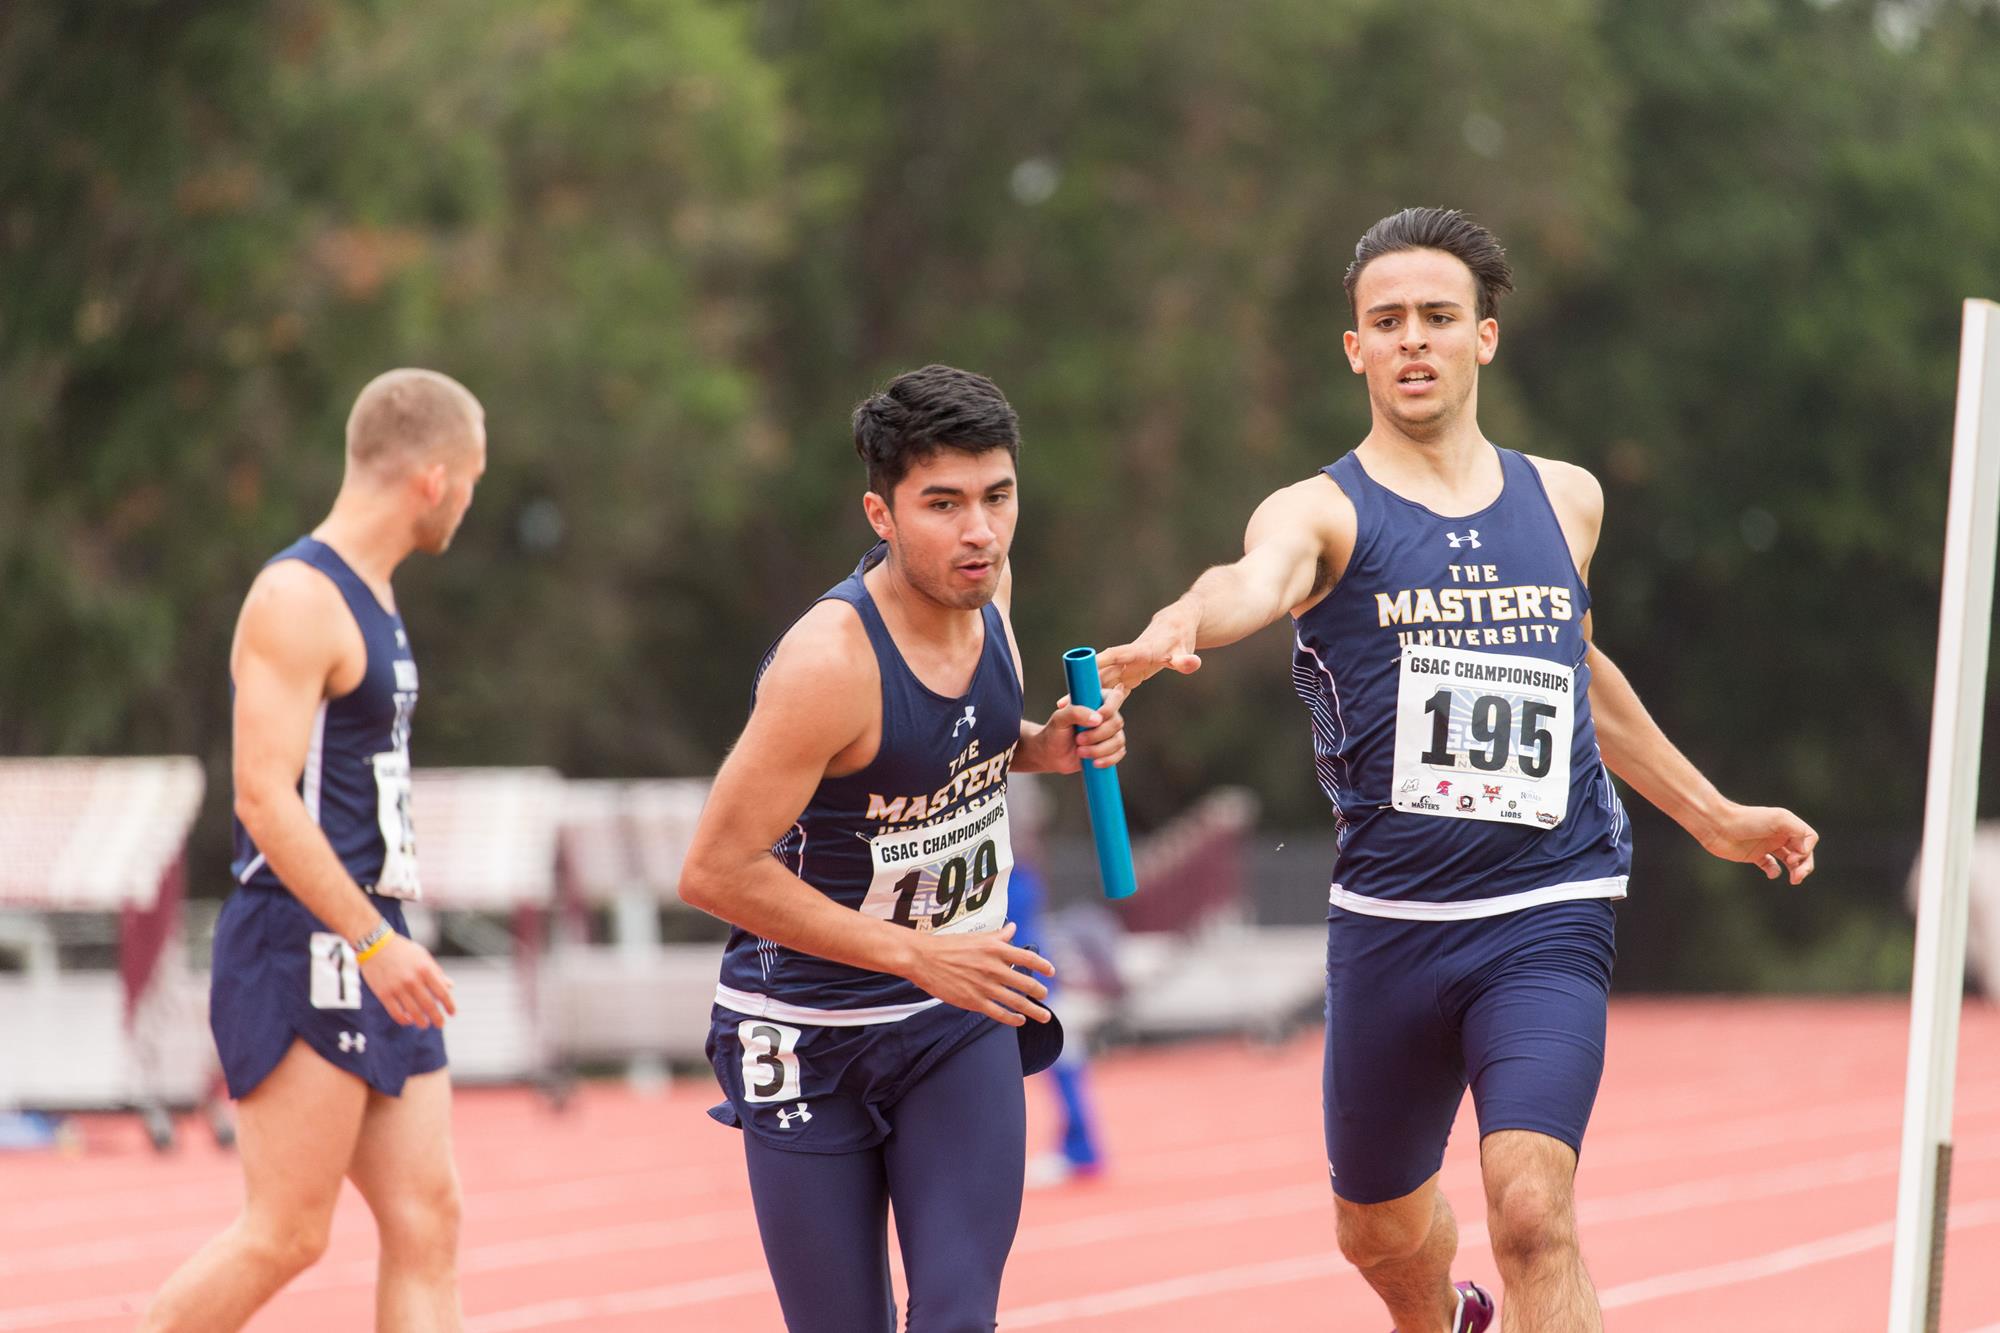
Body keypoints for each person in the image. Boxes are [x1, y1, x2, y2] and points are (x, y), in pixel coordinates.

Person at [1098, 208, 1818, 1333]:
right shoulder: (1322, 510)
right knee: (1376, 1231)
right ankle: (1443, 1316)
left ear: (1484, 335)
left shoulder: (1564, 499)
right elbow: (1248, 578)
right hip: (1388, 921)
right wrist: (1178, 623)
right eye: (1384, 322)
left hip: (1547, 905)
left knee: (1532, 1214)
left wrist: (1709, 812)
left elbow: (1574, 671)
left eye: (1437, 317)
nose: (1411, 340)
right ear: (1354, 349)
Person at [678, 364, 1127, 1332]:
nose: (978, 530)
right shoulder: (827, 663)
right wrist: (914, 949)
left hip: (954, 1015)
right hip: (805, 1032)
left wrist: (1044, 747)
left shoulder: (989, 590)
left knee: (957, 1317)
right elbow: (712, 870)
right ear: (878, 514)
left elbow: (956, 742)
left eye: (997, 496)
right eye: (943, 503)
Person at [142, 369, 485, 1333]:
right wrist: (373, 940)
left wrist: (384, 936)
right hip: (307, 940)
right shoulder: (298, 595)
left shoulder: (375, 592)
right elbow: (263, 796)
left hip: (374, 936)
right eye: (470, 480)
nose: (467, 500)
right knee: (287, 1232)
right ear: (432, 476)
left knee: (429, 1217)